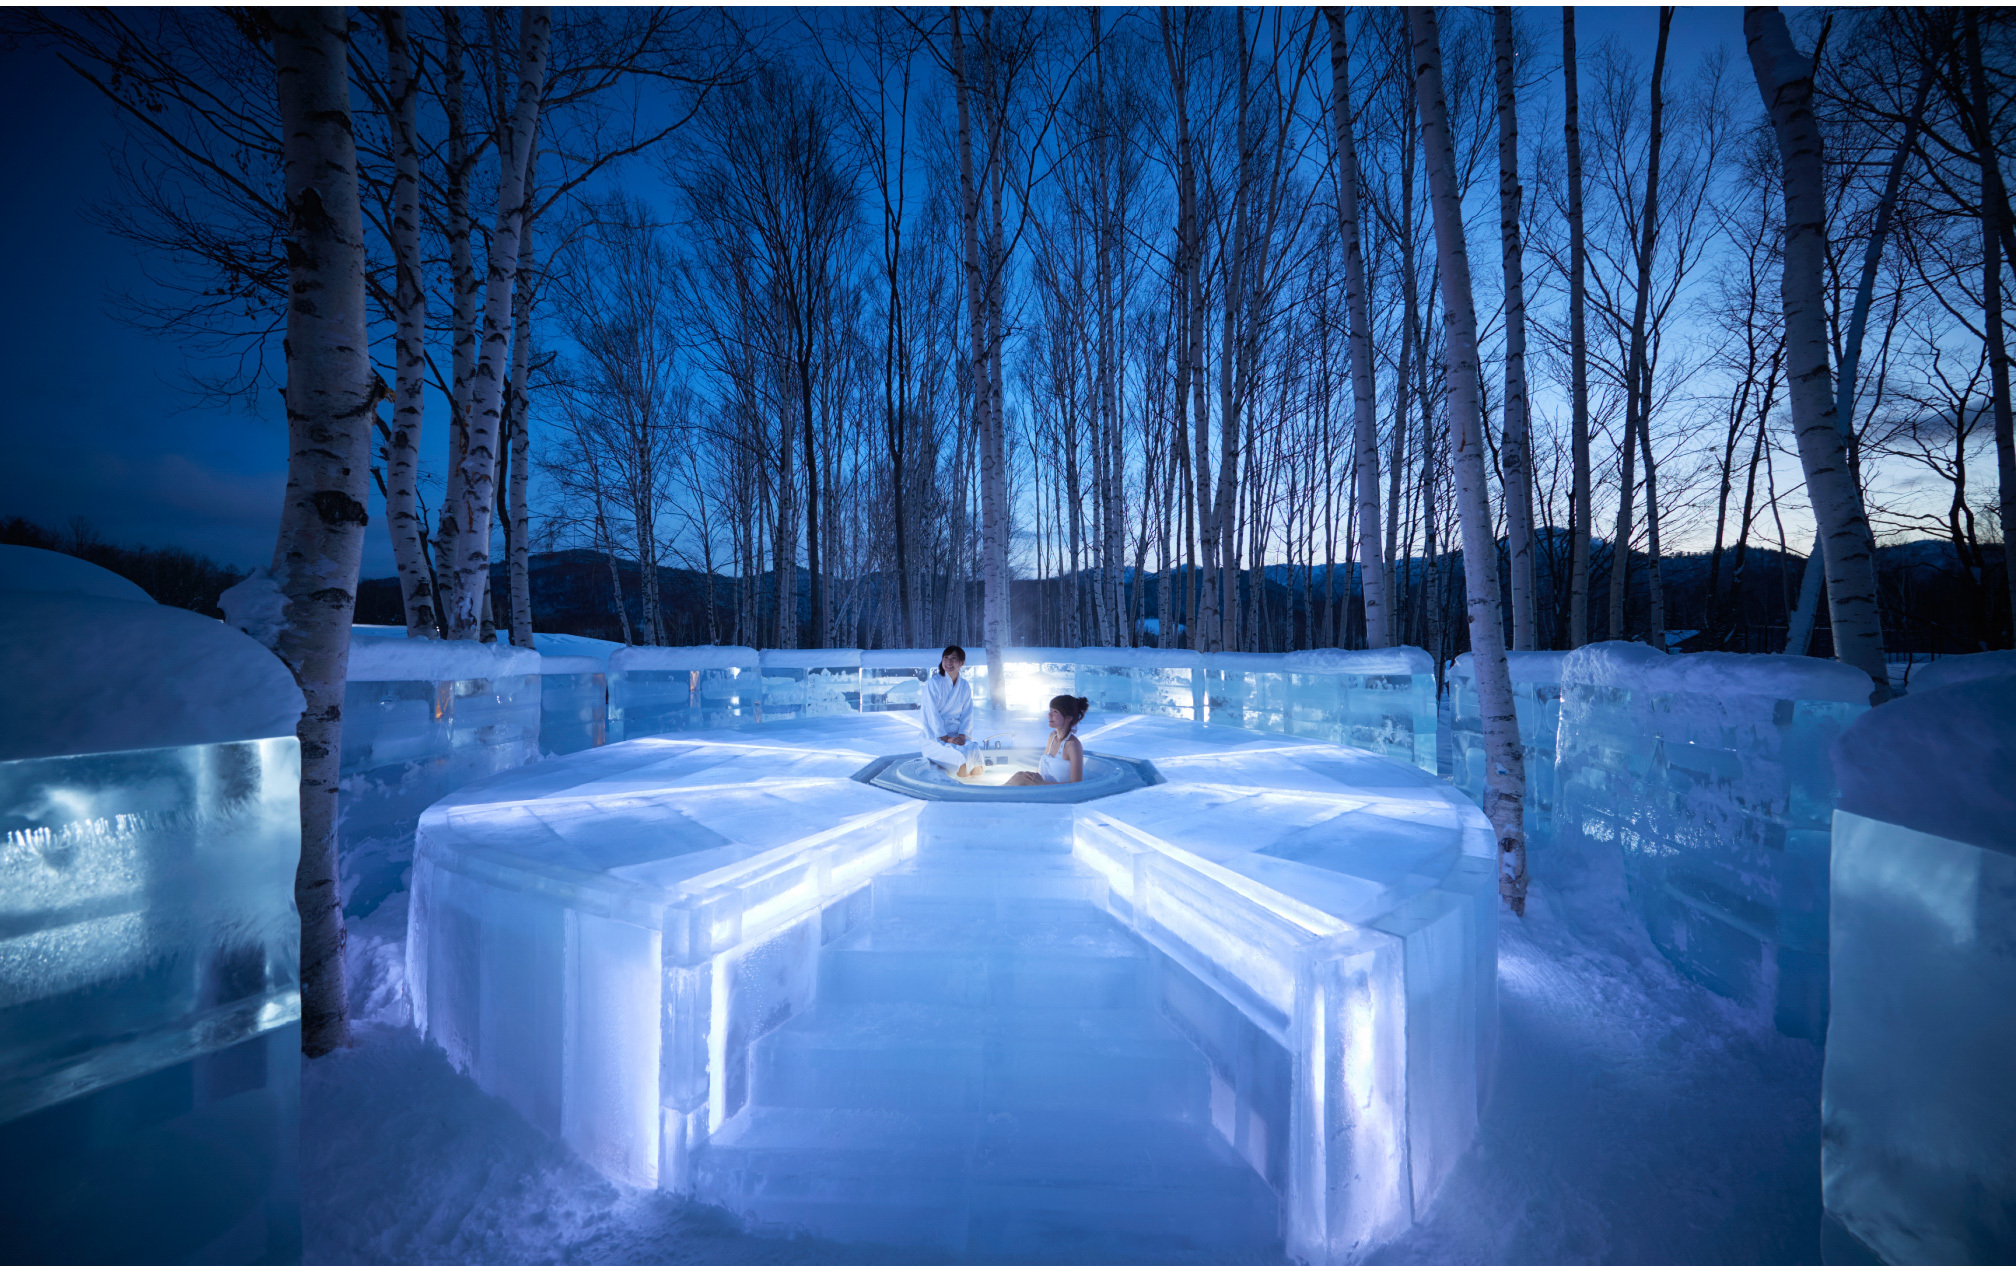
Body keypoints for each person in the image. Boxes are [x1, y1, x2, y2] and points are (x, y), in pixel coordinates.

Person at [918, 645, 982, 777]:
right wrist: (946, 738)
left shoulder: (964, 685)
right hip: (935, 737)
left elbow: (967, 713)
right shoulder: (933, 684)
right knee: (961, 757)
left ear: (961, 663)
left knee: (974, 750)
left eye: (953, 658)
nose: (949, 662)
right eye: (946, 658)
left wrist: (962, 735)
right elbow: (930, 713)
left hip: (956, 735)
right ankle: (965, 789)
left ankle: (981, 787)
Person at [1008, 694, 1088, 786]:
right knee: (1020, 776)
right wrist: (1032, 778)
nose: (1049, 715)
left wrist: (1042, 784)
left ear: (1069, 718)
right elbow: (1043, 767)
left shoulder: (1073, 745)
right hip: (1044, 786)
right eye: (1050, 711)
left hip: (1057, 792)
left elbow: (1076, 784)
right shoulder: (1052, 737)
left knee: (1019, 780)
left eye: (1055, 712)